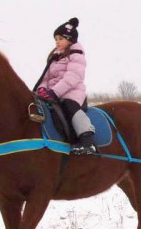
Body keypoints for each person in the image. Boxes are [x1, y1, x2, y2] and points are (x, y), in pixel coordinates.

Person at [34, 17, 96, 155]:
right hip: (53, 93)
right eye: (56, 39)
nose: (57, 42)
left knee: (70, 107)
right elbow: (46, 77)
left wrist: (54, 92)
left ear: (70, 40)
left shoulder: (76, 55)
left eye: (61, 39)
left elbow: (73, 77)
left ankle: (87, 139)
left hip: (72, 92)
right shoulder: (55, 58)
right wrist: (42, 89)